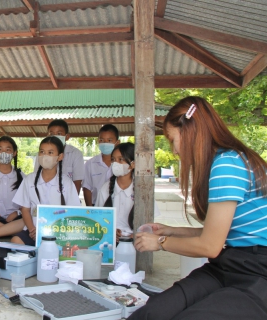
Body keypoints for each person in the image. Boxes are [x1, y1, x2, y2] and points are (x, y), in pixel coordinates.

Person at [131, 96, 267, 320]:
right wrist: (170, 230)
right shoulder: (222, 162)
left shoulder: (227, 164)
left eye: (172, 139)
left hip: (257, 273)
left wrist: (161, 243)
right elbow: (219, 234)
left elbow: (210, 246)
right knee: (151, 313)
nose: (174, 150)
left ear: (190, 132)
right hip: (228, 263)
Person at [12, 136, 81, 245]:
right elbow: (25, 209)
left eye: (50, 153)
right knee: (16, 241)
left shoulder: (67, 183)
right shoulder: (29, 179)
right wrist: (31, 230)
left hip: (59, 234)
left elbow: (74, 212)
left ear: (60, 157)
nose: (45, 156)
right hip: (33, 231)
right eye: (42, 152)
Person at [95, 142, 160, 243]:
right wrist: (109, 231)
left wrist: (136, 234)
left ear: (133, 164)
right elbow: (97, 219)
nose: (115, 163)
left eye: (121, 159)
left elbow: (151, 221)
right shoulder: (105, 189)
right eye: (113, 159)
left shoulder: (143, 190)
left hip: (138, 242)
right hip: (110, 243)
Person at [34, 119, 84, 194]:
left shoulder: (75, 153)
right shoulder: (41, 154)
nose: (55, 136)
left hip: (66, 198)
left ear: (67, 137)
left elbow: (77, 181)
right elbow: (36, 175)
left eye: (59, 133)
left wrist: (70, 202)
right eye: (51, 133)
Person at [82, 124, 120, 206]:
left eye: (109, 140)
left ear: (117, 142)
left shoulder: (122, 163)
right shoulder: (90, 164)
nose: (105, 143)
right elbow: (87, 188)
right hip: (96, 206)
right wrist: (90, 210)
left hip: (118, 206)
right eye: (102, 140)